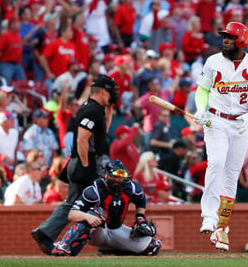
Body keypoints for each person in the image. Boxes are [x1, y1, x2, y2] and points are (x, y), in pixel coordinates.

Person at [194, 22, 248, 251]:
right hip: (215, 119)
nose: (225, 40)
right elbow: (203, 89)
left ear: (242, 40)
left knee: (231, 175)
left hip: (240, 124)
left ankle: (222, 228)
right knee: (216, 163)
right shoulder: (213, 62)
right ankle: (209, 216)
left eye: (229, 37)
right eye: (224, 36)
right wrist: (200, 109)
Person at [31, 75, 119, 255]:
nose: (113, 95)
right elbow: (82, 138)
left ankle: (46, 233)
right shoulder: (91, 111)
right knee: (96, 202)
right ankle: (100, 244)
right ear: (103, 92)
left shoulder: (94, 109)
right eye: (110, 93)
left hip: (82, 160)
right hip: (85, 161)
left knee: (77, 202)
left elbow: (104, 131)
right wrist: (86, 166)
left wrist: (109, 108)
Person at [51, 160, 162, 256]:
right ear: (107, 175)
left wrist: (140, 217)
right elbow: (72, 214)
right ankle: (64, 245)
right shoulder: (94, 190)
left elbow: (140, 199)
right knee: (97, 212)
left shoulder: (131, 188)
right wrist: (88, 217)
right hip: (98, 231)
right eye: (116, 176)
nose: (119, 180)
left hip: (117, 229)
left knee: (153, 246)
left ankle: (113, 249)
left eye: (121, 177)